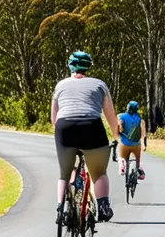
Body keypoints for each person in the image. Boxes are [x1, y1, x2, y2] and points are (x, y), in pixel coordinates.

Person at [51, 51, 121, 223]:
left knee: (64, 174)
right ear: (88, 67)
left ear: (70, 66)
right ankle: (103, 207)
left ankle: (61, 209)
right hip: (91, 127)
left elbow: (54, 118)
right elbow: (110, 116)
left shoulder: (60, 85)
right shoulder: (99, 84)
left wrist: (62, 136)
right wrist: (116, 136)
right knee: (98, 172)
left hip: (64, 128)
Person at [118, 100, 146, 180]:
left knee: (120, 153)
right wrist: (143, 144)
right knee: (136, 158)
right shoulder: (141, 120)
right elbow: (143, 135)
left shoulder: (121, 116)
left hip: (124, 145)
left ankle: (122, 163)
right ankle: (139, 169)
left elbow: (118, 129)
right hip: (136, 145)